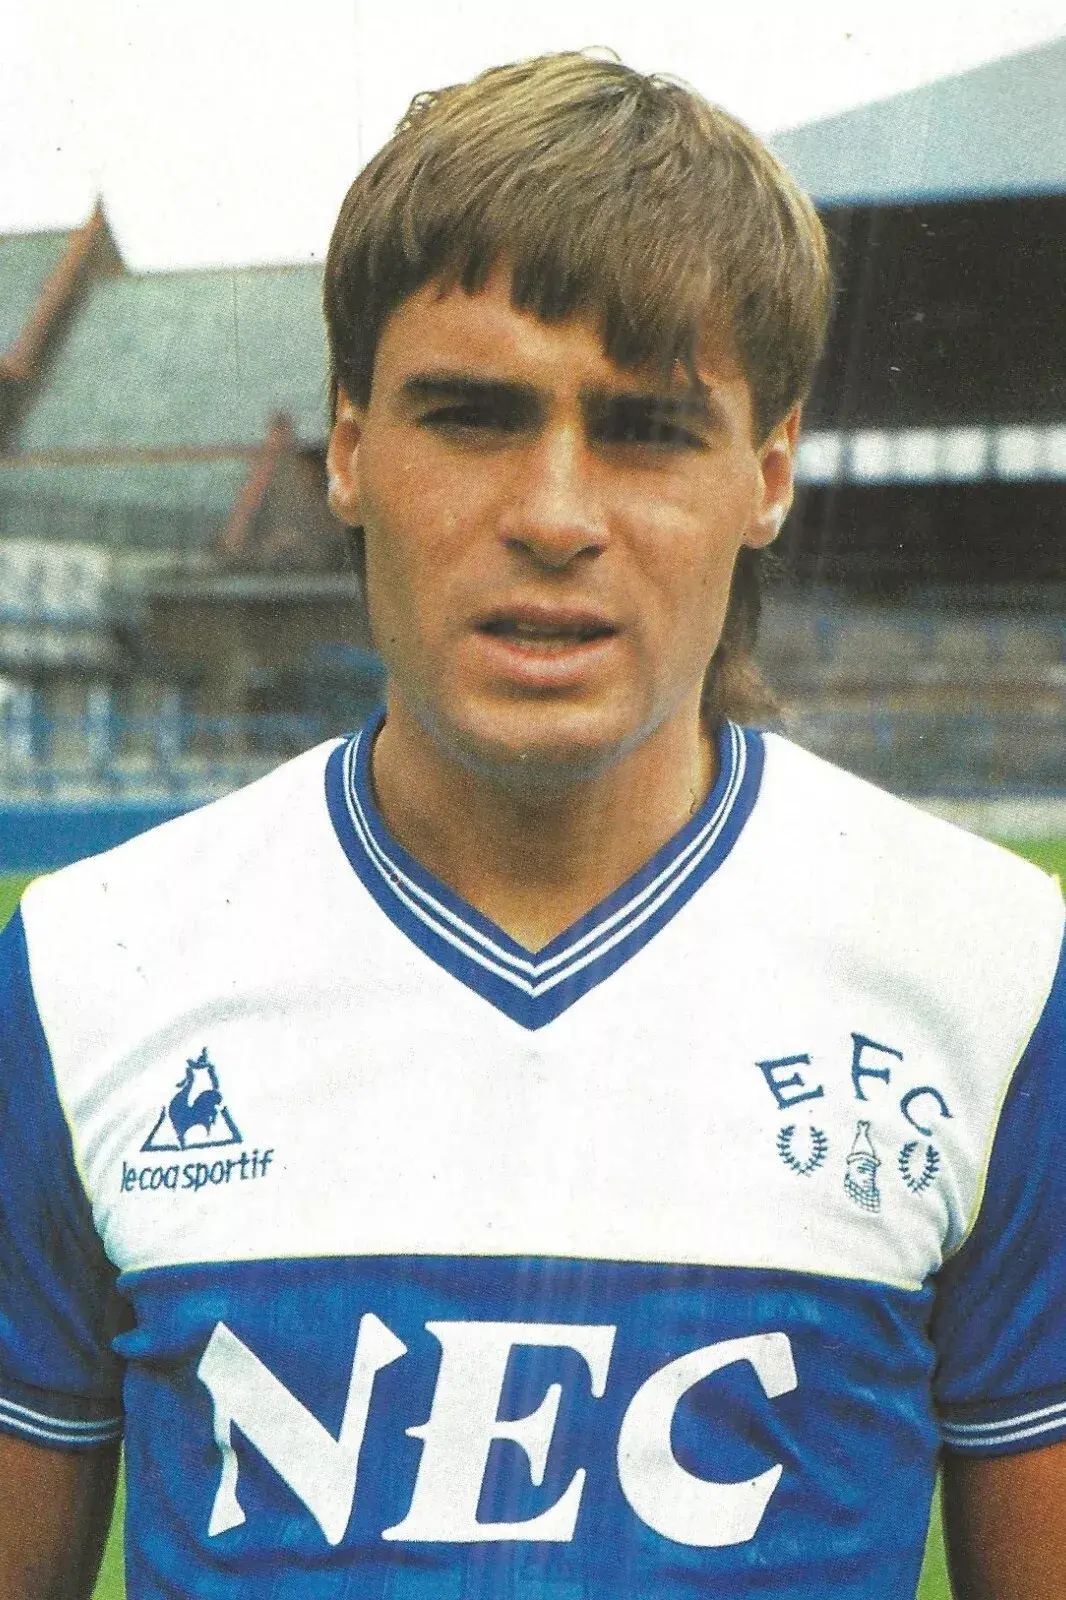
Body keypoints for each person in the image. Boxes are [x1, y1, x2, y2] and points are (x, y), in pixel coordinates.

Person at [1, 50, 1064, 1600]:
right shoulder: (87, 972)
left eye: (647, 431)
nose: (555, 515)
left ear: (767, 476)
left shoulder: (990, 976)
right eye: (472, 417)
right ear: (348, 450)